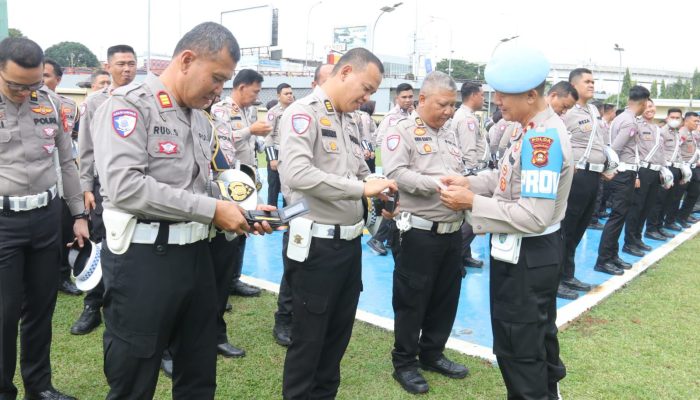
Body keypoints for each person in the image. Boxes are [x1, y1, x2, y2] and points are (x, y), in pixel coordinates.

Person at [92, 22, 271, 398]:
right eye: (217, 77)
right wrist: (210, 209)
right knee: (133, 377)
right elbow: (126, 187)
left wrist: (243, 208)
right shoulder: (128, 105)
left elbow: (197, 185)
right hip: (144, 261)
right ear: (187, 60)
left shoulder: (200, 117)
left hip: (196, 257)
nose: (220, 89)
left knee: (198, 370)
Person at [440, 46, 571, 400]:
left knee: (519, 350)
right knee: (535, 339)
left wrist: (472, 203)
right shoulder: (527, 129)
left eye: (503, 94)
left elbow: (533, 214)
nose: (495, 100)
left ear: (531, 95)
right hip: (527, 253)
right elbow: (505, 176)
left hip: (527, 254)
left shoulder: (542, 139)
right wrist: (472, 183)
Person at [278, 47, 396, 400]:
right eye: (367, 88)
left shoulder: (350, 119)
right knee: (309, 342)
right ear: (344, 72)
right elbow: (297, 174)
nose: (367, 97)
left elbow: (358, 169)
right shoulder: (303, 114)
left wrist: (380, 190)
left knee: (336, 338)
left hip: (348, 245)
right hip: (316, 246)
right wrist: (362, 188)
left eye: (372, 92)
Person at [0, 37, 89, 400]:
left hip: (47, 217)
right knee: (5, 314)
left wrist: (78, 215)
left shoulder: (50, 103)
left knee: (41, 307)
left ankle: (40, 387)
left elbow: (67, 162)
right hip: (4, 222)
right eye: (16, 85)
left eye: (33, 83)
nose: (25, 92)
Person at [383, 71, 468, 395]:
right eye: (443, 105)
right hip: (417, 231)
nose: (448, 111)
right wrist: (433, 184)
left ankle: (432, 353)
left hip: (451, 231)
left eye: (452, 105)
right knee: (412, 300)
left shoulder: (449, 133)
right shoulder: (401, 131)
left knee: (445, 298)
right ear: (422, 100)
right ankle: (404, 362)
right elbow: (394, 173)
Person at [71, 44, 138, 336]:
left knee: (134, 244)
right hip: (102, 186)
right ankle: (92, 304)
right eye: (121, 63)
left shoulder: (144, 100)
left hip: (137, 185)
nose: (127, 69)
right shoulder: (95, 103)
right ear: (108, 67)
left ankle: (128, 303)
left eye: (132, 64)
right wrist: (86, 186)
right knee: (100, 242)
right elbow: (85, 150)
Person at [272, 64, 334, 347]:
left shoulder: (342, 116)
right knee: (294, 267)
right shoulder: (301, 112)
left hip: (330, 213)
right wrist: (295, 206)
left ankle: (304, 317)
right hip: (303, 210)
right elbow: (293, 171)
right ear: (315, 83)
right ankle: (283, 320)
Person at [212, 69, 271, 298]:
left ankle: (233, 279)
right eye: (255, 91)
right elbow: (220, 140)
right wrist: (250, 130)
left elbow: (252, 142)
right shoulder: (221, 109)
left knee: (243, 231)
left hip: (248, 179)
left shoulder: (249, 111)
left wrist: (261, 140)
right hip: (230, 182)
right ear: (241, 87)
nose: (256, 96)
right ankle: (221, 285)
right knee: (227, 235)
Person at [557, 68, 607, 299]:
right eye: (587, 81)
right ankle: (556, 280)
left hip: (594, 175)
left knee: (580, 227)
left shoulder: (594, 110)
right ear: (574, 85)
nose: (592, 85)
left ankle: (568, 274)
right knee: (566, 228)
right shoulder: (567, 112)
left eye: (593, 81)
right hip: (576, 175)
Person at [594, 85, 651, 275]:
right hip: (623, 174)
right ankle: (604, 259)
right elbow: (615, 149)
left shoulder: (622, 118)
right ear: (643, 103)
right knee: (617, 217)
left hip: (623, 173)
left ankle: (611, 255)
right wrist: (613, 170)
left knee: (619, 216)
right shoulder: (630, 123)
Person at [42, 58, 83, 297]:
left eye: (47, 76)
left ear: (58, 80)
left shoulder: (68, 106)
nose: (42, 81)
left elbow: (73, 143)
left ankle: (62, 277)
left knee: (64, 227)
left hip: (62, 171)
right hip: (36, 179)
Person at [367, 83, 414, 256]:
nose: (408, 100)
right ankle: (377, 239)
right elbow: (379, 141)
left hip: (408, 168)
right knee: (397, 204)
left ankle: (389, 239)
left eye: (410, 97)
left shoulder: (412, 115)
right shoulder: (391, 118)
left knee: (402, 204)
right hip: (395, 169)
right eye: (404, 97)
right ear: (397, 99)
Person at [452, 81, 487, 268]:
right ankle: (457, 255)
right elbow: (468, 150)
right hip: (472, 171)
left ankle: (464, 255)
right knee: (474, 218)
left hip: (471, 171)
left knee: (469, 218)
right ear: (473, 95)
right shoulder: (467, 119)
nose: (483, 98)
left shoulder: (467, 116)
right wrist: (473, 174)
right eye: (482, 94)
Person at [624, 100, 664, 251]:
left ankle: (637, 238)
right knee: (636, 207)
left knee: (647, 206)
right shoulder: (636, 125)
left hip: (655, 171)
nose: (650, 109)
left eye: (652, 106)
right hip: (642, 170)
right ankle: (629, 242)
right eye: (646, 106)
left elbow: (660, 152)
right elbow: (632, 149)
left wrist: (664, 169)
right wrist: (636, 175)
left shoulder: (657, 129)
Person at [646, 108, 684, 240]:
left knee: (667, 200)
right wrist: (663, 169)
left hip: (675, 168)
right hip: (665, 168)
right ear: (667, 118)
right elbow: (658, 151)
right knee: (659, 201)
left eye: (677, 117)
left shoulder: (676, 133)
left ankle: (659, 226)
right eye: (672, 117)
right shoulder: (662, 132)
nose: (675, 120)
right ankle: (651, 228)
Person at [265, 83, 294, 207]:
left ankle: (288, 217)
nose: (289, 96)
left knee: (290, 187)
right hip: (276, 152)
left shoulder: (296, 109)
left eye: (291, 93)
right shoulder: (273, 112)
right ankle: (270, 217)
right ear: (278, 96)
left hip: (291, 153)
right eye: (286, 94)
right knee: (274, 186)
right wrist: (272, 159)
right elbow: (268, 136)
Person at [676, 112, 700, 226]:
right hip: (684, 168)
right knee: (677, 195)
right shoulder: (682, 133)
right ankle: (672, 218)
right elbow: (676, 150)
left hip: (694, 168)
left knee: (693, 193)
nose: (697, 123)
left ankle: (683, 216)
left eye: (698, 121)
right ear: (686, 121)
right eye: (695, 121)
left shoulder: (692, 134)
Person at [358, 100, 377, 173]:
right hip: (368, 150)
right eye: (374, 107)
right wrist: (370, 150)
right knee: (369, 172)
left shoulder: (366, 116)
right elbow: (365, 135)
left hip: (368, 148)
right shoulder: (365, 117)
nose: (375, 109)